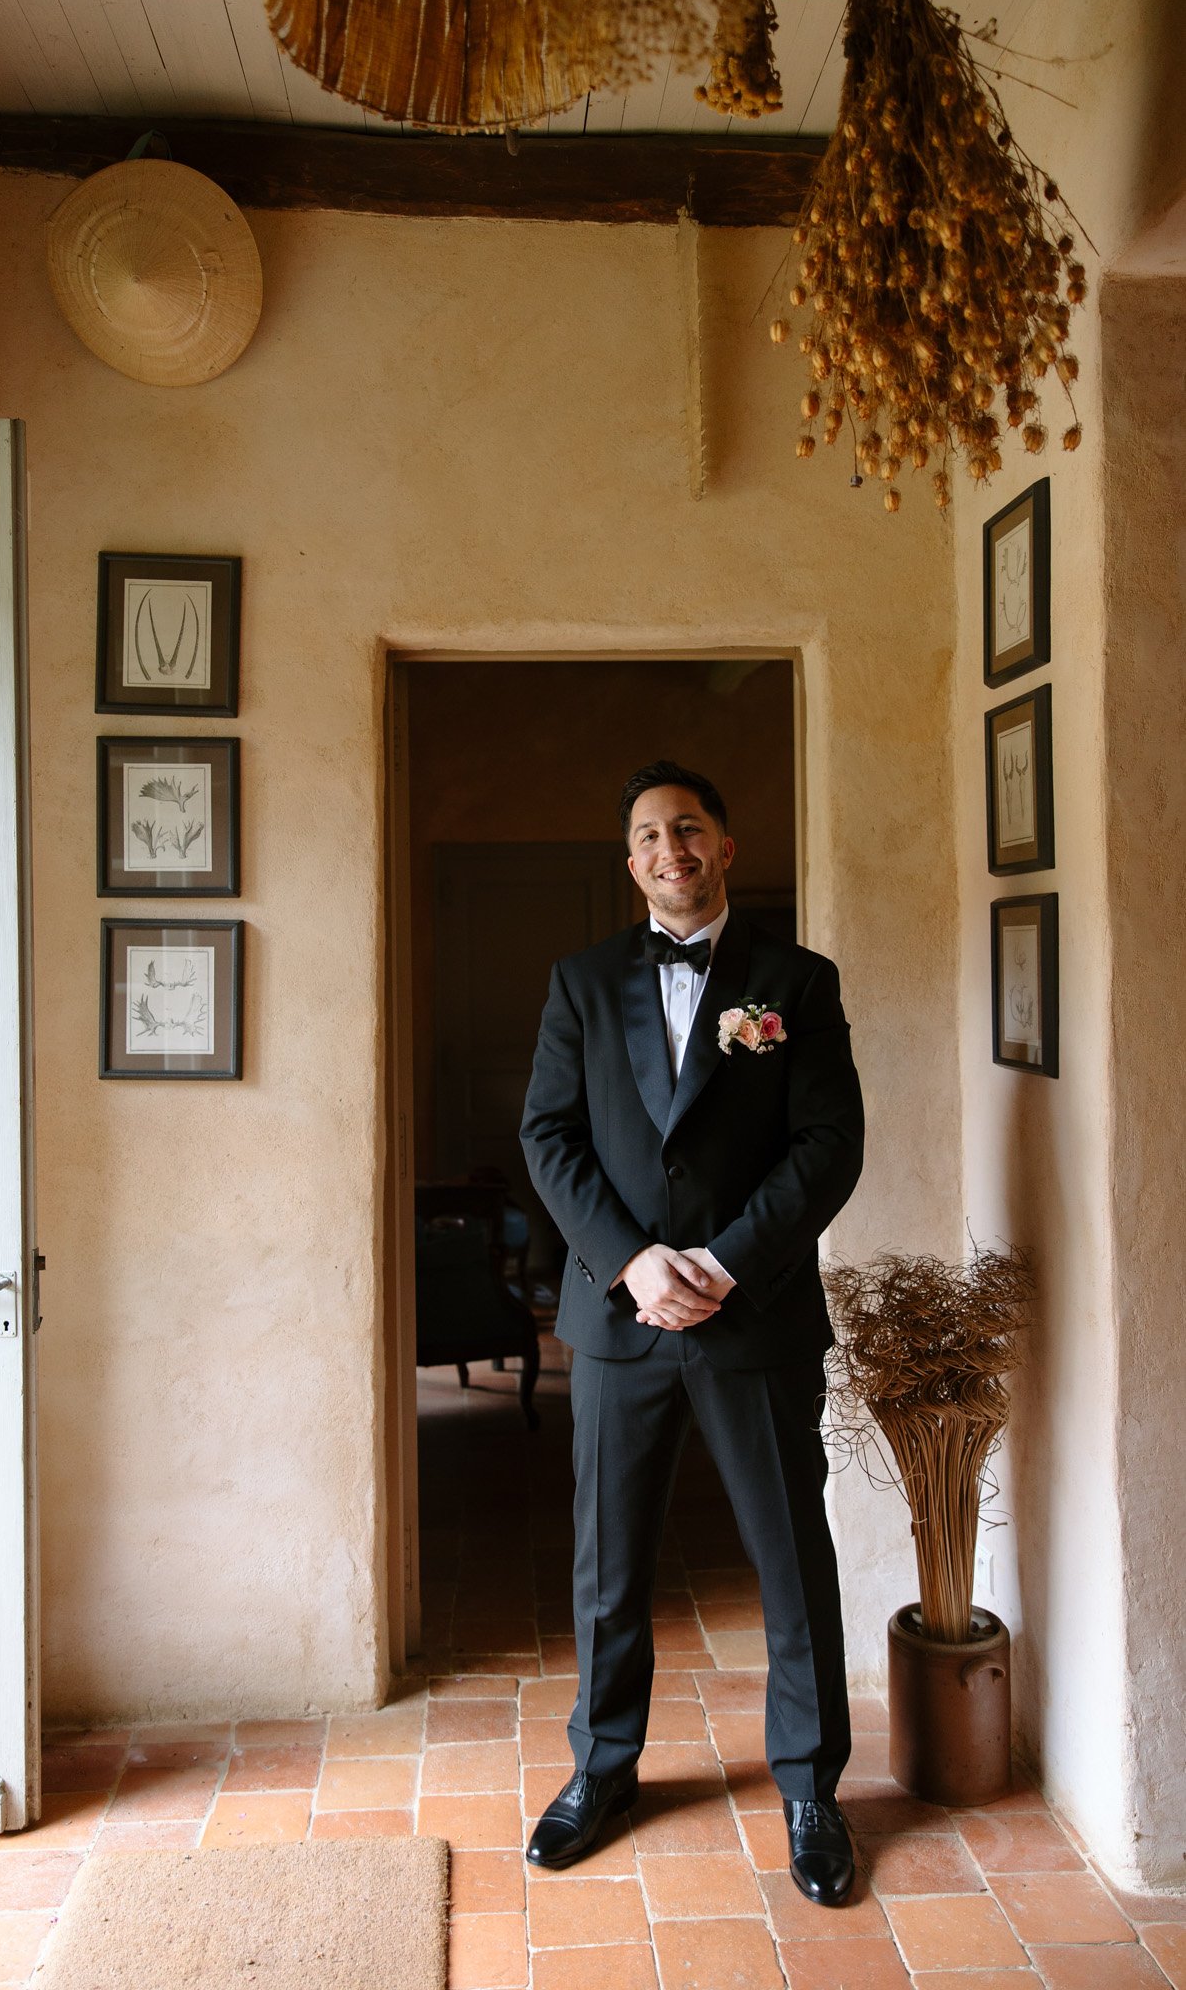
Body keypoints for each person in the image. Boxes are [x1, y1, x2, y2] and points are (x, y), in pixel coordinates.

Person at [519, 759, 865, 1906]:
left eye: (688, 827)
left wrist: (721, 1260)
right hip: (619, 1318)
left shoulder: (796, 983)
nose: (669, 848)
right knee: (610, 1563)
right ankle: (602, 1769)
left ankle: (812, 1786)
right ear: (630, 862)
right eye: (647, 835)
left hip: (749, 1311)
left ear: (724, 844)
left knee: (789, 1555)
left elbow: (828, 1143)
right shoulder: (577, 981)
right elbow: (550, 1137)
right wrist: (632, 1260)